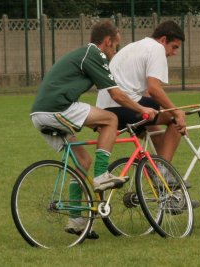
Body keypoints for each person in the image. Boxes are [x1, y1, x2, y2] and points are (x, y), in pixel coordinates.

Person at [30, 21, 157, 239]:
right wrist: (142, 108)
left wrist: (91, 122)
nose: (114, 52)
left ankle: (76, 220)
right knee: (110, 118)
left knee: (82, 161)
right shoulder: (94, 54)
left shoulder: (83, 55)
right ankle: (101, 175)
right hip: (57, 108)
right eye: (115, 46)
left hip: (39, 114)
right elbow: (116, 95)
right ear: (107, 42)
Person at [96, 20, 199, 207]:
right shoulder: (157, 49)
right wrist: (177, 111)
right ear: (163, 39)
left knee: (155, 124)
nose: (174, 53)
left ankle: (170, 194)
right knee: (175, 120)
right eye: (174, 47)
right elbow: (154, 89)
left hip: (107, 107)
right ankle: (162, 176)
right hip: (123, 105)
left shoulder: (136, 46)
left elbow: (145, 93)